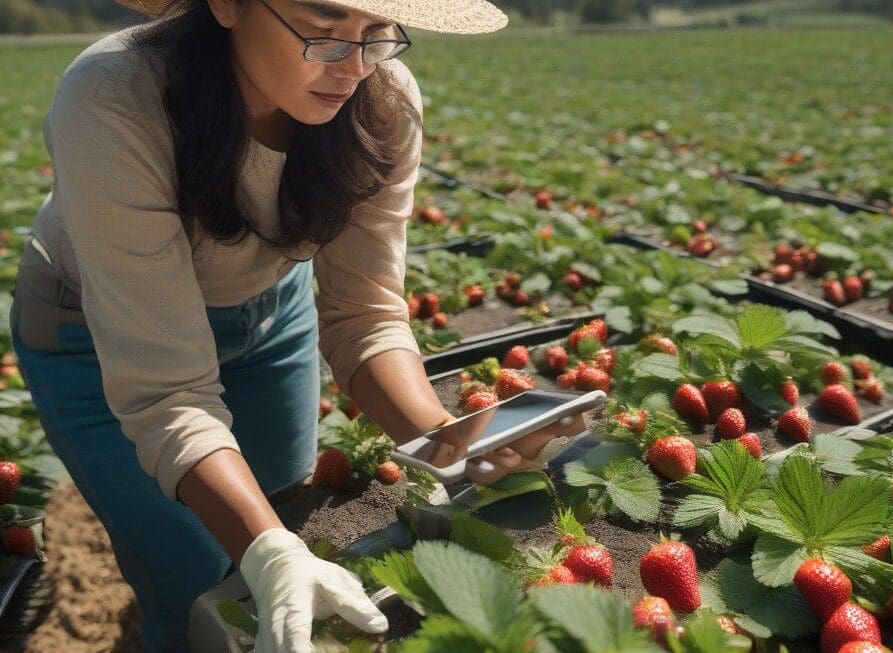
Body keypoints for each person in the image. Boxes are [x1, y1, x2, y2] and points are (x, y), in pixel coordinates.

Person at [6, 0, 531, 650]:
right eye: (326, 30)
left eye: (377, 35)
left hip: (269, 316)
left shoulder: (381, 100)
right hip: (93, 335)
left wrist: (450, 442)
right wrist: (269, 554)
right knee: (198, 573)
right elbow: (167, 392)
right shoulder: (115, 96)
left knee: (284, 508)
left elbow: (365, 317)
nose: (354, 65)